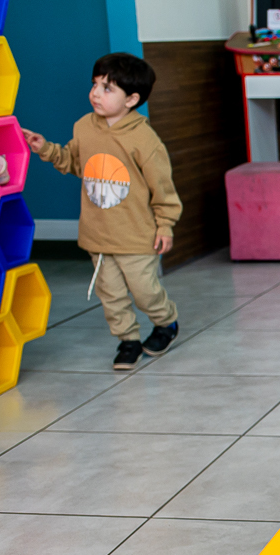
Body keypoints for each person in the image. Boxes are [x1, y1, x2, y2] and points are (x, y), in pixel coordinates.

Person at [22, 53, 182, 371]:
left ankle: (166, 322)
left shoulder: (144, 139)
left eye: (107, 88)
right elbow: (75, 163)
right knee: (111, 295)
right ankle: (128, 340)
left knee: (145, 292)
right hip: (98, 234)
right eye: (95, 84)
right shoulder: (84, 127)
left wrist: (165, 225)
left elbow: (163, 188)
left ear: (131, 99)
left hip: (137, 235)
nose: (96, 93)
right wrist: (46, 149)